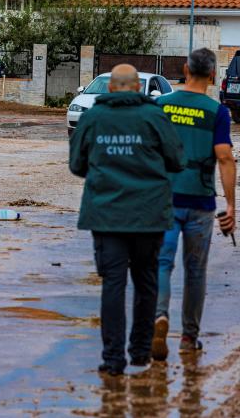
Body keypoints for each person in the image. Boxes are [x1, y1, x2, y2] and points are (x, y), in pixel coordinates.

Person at [70, 64, 185, 376]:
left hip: (106, 216)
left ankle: (112, 358)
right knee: (146, 282)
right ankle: (139, 352)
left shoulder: (92, 117)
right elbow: (177, 160)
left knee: (113, 285)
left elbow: (77, 165)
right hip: (149, 215)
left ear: (109, 89)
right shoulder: (154, 116)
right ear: (137, 88)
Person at [152, 48, 236, 361]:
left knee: (162, 262)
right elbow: (225, 157)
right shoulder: (217, 112)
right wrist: (231, 206)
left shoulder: (161, 105)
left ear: (185, 69)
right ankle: (189, 337)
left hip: (164, 200)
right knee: (195, 271)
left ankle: (160, 316)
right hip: (200, 202)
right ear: (213, 75)